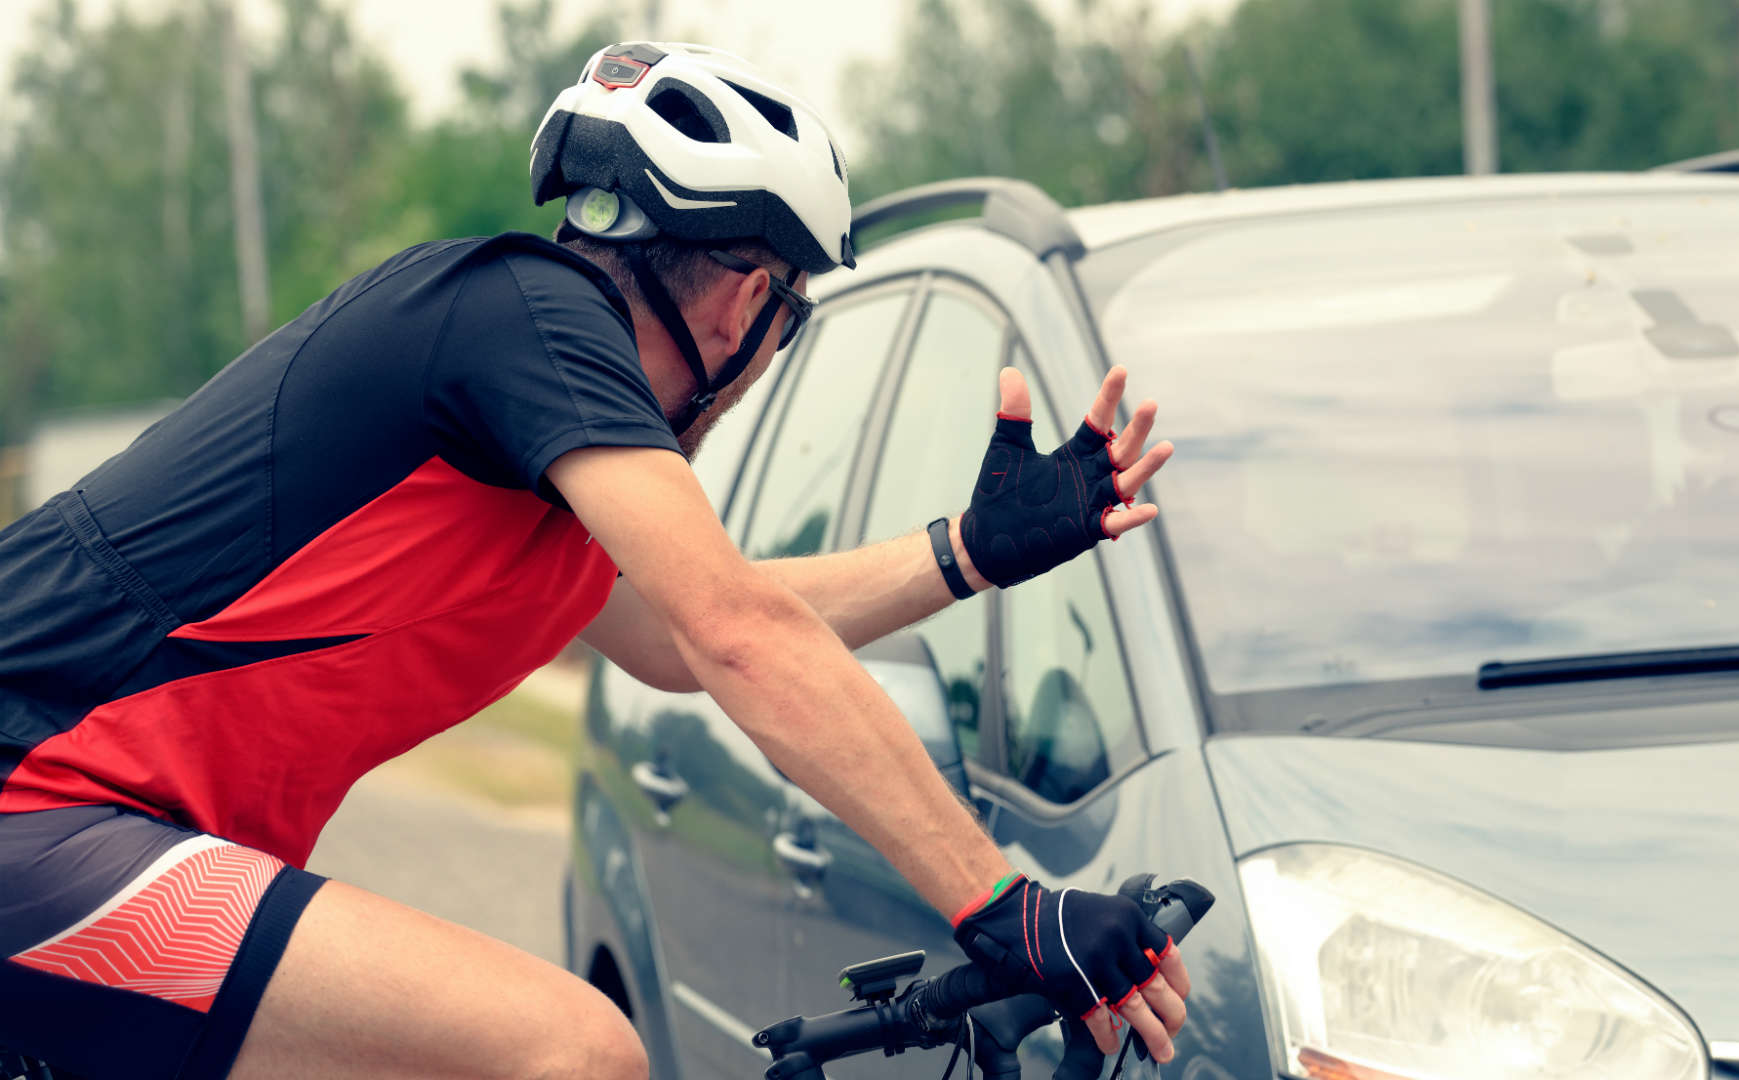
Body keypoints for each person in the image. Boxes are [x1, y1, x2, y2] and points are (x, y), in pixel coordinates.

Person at [0, 42, 1184, 1080]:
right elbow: (737, 635)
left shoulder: (530, 449)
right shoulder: (530, 315)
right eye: (792, 317)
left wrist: (966, 554)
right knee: (570, 1052)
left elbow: (685, 636)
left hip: (99, 833)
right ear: (743, 303)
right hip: (41, 814)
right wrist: (1006, 903)